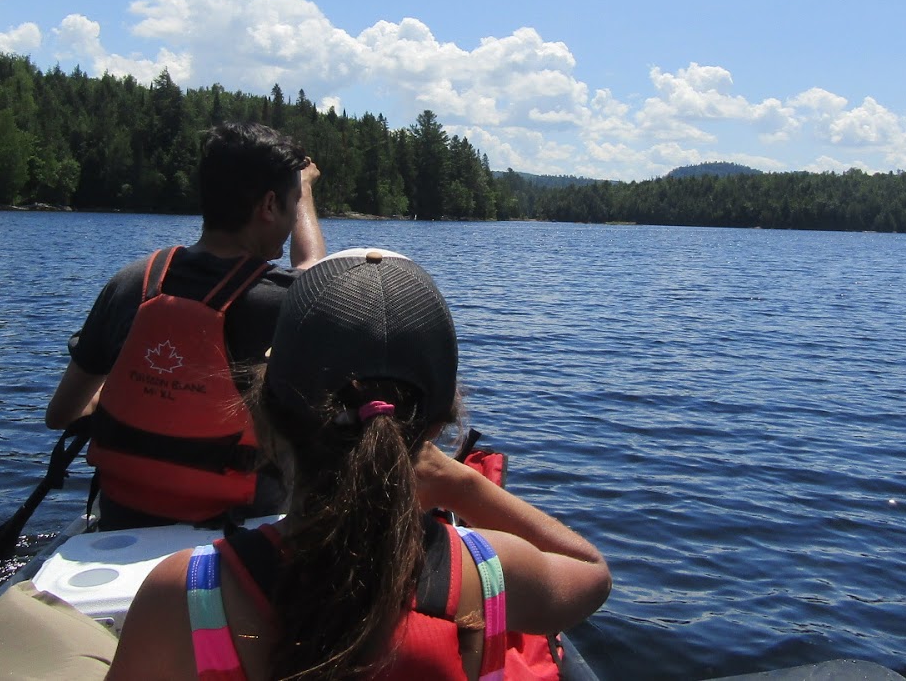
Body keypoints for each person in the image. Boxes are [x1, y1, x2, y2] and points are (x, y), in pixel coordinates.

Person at [105, 249, 612, 681]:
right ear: (437, 426)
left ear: (265, 415)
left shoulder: (186, 594)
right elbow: (591, 573)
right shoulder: (490, 574)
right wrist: (462, 486)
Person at [46, 121, 328, 530]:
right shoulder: (283, 301)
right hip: (237, 529)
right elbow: (314, 271)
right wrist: (306, 191)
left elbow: (61, 415)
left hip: (124, 519)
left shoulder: (131, 283)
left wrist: (143, 393)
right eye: (291, 203)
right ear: (269, 206)